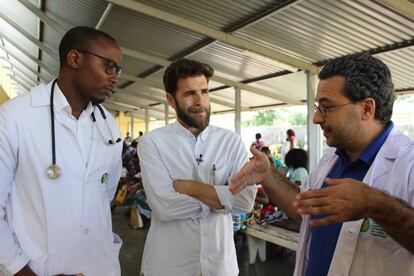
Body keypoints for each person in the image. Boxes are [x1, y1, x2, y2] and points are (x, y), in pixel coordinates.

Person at [230, 53, 414, 276]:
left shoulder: (408, 165)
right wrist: (268, 175)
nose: (316, 118)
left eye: (327, 107)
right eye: (318, 107)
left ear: (366, 108)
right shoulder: (332, 158)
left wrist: (375, 204)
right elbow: (305, 210)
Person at [0, 26, 123, 276]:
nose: (114, 78)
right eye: (109, 67)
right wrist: (20, 270)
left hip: (99, 267)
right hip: (38, 269)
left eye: (117, 70)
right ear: (75, 59)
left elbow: (104, 195)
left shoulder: (108, 125)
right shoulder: (15, 117)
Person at [138, 59, 256, 276]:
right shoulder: (153, 143)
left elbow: (245, 201)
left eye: (204, 91)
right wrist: (221, 199)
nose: (200, 101)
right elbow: (165, 207)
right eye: (190, 93)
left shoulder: (230, 142)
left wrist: (192, 188)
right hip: (170, 265)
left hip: (220, 265)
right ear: (170, 100)